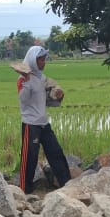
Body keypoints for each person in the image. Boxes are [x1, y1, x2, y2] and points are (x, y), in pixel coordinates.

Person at [15, 45, 71, 192]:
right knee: (29, 158)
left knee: (56, 152)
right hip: (30, 125)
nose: (43, 62)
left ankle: (67, 184)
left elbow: (47, 101)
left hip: (43, 124)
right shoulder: (22, 80)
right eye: (40, 60)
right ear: (33, 61)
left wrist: (59, 96)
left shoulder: (43, 79)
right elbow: (24, 100)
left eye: (44, 59)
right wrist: (27, 80)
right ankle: (24, 190)